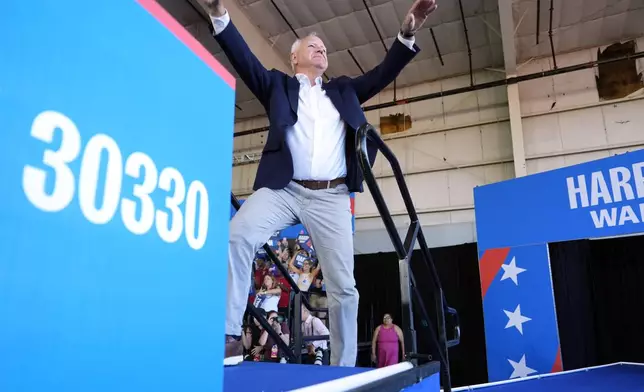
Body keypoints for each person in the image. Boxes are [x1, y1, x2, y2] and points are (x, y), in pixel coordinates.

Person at [202, 0, 439, 367]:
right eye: (313, 46)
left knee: (344, 287)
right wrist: (220, 13)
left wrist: (407, 31)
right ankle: (230, 336)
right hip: (284, 189)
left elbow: (381, 73)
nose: (321, 50)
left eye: (324, 48)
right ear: (294, 58)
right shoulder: (277, 85)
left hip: (331, 196)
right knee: (237, 234)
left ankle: (341, 369)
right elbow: (244, 59)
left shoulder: (343, 90)